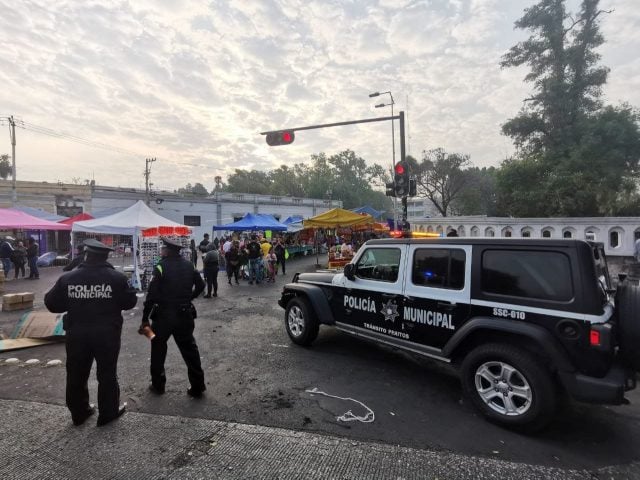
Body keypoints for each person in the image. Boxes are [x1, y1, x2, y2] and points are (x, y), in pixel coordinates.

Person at [44, 239, 137, 426]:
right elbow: (129, 302)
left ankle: (79, 413)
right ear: (106, 256)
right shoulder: (117, 278)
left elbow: (52, 304)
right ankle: (108, 413)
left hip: (77, 333)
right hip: (107, 334)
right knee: (107, 373)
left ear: (85, 255)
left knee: (76, 373)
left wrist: (74, 302)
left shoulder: (68, 278)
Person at [141, 238, 206, 397]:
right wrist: (189, 298)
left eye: (163, 248)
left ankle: (158, 385)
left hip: (163, 317)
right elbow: (201, 286)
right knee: (190, 350)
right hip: (184, 315)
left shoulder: (160, 267)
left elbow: (151, 295)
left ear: (167, 251)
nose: (161, 250)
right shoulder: (189, 265)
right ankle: (198, 386)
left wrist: (145, 319)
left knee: (157, 349)